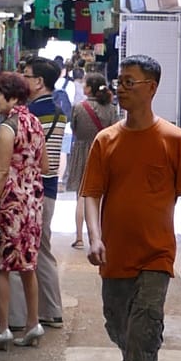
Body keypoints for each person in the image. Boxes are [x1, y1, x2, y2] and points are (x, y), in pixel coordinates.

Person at [81, 52, 181, 361]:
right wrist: (95, 238)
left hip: (156, 257)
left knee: (142, 332)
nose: (121, 87)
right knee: (122, 330)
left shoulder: (176, 140)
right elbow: (91, 195)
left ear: (152, 87)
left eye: (130, 82)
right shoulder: (106, 140)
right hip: (114, 256)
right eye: (120, 80)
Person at [0, 71, 46, 347]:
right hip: (33, 202)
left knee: (3, 266)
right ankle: (33, 323)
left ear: (11, 96)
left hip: (12, 204)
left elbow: (0, 172)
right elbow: (45, 166)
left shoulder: (8, 127)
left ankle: (4, 330)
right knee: (28, 265)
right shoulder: (34, 123)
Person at [23, 56, 70, 325]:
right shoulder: (58, 111)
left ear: (39, 82)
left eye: (27, 75)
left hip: (34, 188)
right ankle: (49, 310)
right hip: (49, 187)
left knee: (36, 250)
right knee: (42, 248)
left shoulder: (33, 114)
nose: (23, 79)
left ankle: (49, 311)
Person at [64, 68, 120, 248]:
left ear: (89, 89)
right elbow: (117, 131)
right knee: (102, 196)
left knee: (81, 195)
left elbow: (74, 128)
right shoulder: (111, 109)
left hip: (81, 151)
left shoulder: (79, 108)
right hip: (105, 152)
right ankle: (99, 236)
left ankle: (79, 237)